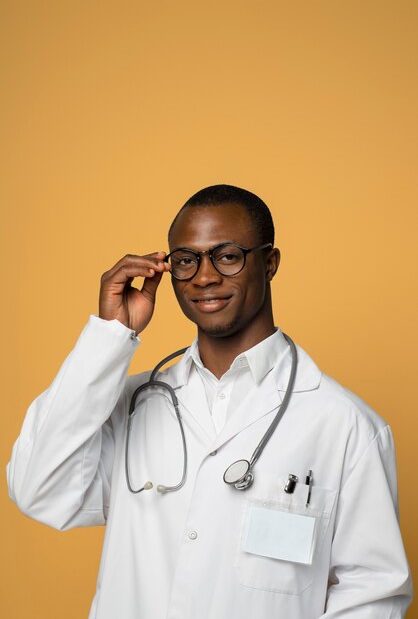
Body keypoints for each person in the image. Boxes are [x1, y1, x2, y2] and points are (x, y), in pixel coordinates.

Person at [7, 185, 412, 618]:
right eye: (186, 260)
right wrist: (108, 337)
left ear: (270, 263)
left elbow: (371, 594)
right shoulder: (133, 405)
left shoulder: (345, 425)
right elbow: (37, 488)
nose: (204, 276)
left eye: (228, 255)